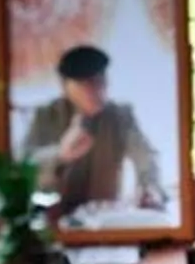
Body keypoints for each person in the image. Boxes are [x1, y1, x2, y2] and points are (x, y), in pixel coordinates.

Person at [19, 43, 168, 218]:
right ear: (65, 86)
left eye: (100, 81)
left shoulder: (120, 116)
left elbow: (146, 156)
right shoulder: (46, 116)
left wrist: (149, 187)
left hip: (104, 219)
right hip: (53, 218)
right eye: (85, 84)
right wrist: (60, 154)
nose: (95, 90)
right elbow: (24, 167)